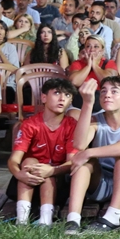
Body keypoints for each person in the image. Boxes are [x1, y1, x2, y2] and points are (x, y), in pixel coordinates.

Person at [63, 77, 120, 234]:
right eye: (103, 91)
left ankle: (113, 217)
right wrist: (87, 103)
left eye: (114, 91)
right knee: (85, 163)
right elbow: (79, 144)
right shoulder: (95, 120)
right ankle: (73, 220)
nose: (107, 95)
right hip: (103, 181)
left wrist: (90, 152)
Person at [7, 78, 78, 226]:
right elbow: (14, 160)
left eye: (67, 95)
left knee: (45, 170)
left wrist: (51, 170)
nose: (62, 98)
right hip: (27, 181)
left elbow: (72, 162)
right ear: (44, 97)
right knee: (29, 162)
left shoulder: (72, 125)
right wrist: (18, 173)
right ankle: (22, 221)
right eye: (57, 93)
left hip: (58, 185)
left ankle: (46, 221)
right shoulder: (30, 124)